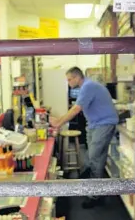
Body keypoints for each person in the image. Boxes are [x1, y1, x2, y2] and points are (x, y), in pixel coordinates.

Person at [50, 66, 119, 208]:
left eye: (69, 79)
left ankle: (90, 188)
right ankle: (95, 193)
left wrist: (58, 123)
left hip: (104, 124)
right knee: (97, 159)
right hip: (94, 125)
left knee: (93, 157)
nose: (68, 82)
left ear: (77, 77)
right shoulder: (85, 87)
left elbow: (76, 109)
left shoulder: (88, 86)